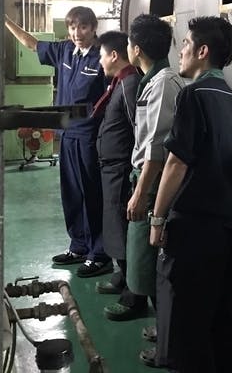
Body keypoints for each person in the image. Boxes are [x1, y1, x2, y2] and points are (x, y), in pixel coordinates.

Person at [149, 16, 232, 373]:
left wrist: (157, 219)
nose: (181, 52)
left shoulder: (192, 95)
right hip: (228, 231)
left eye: (187, 45)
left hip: (193, 232)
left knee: (186, 327)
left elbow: (176, 163)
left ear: (203, 51)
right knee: (222, 325)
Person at [102, 14, 185, 365]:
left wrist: (140, 193)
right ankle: (164, 328)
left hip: (151, 184)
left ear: (136, 49)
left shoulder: (163, 83)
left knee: (153, 266)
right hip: (145, 180)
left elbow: (156, 148)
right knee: (145, 265)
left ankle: (169, 341)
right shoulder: (153, 80)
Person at [4, 7, 110, 277]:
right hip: (66, 134)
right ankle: (79, 246)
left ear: (93, 28)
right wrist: (5, 20)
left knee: (92, 194)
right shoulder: (65, 51)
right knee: (71, 193)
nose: (77, 33)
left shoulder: (103, 56)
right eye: (73, 27)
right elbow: (32, 43)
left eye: (83, 27)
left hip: (89, 136)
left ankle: (99, 254)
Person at [91, 31, 148, 319]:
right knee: (114, 226)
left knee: (123, 229)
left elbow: (139, 129)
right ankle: (123, 277)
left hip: (121, 168)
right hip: (111, 168)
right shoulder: (120, 82)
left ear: (114, 55)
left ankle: (134, 296)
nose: (100, 62)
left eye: (102, 56)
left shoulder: (130, 84)